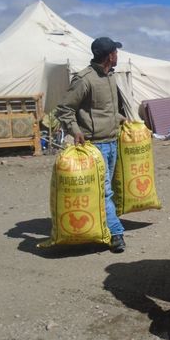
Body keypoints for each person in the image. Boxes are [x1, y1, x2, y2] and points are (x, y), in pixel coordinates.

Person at [56, 37, 128, 253]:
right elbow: (64, 109)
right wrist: (75, 131)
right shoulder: (84, 79)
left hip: (113, 141)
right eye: (116, 52)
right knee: (105, 191)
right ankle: (116, 233)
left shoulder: (110, 76)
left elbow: (104, 109)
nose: (118, 56)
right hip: (95, 146)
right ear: (109, 56)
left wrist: (121, 119)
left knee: (108, 189)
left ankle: (99, 227)